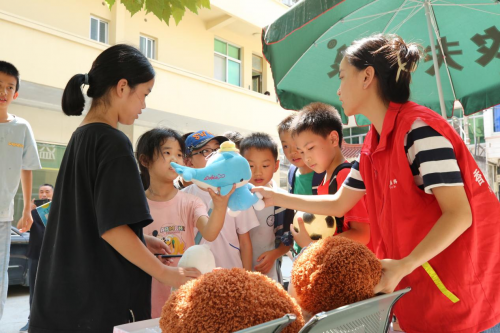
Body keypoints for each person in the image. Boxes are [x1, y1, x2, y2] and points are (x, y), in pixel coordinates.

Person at [253, 34, 500, 333]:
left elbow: (459, 214)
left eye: (343, 77)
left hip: (462, 295)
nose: (338, 89)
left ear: (367, 76)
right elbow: (339, 202)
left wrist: (404, 264)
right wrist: (273, 196)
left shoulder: (418, 130)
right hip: (415, 292)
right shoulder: (373, 141)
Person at [30, 45, 200, 333]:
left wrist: (140, 237)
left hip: (63, 299)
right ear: (123, 87)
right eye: (144, 94)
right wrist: (166, 273)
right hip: (98, 303)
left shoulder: (80, 137)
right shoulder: (113, 142)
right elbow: (112, 228)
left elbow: (89, 219)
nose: (144, 105)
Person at [135, 127, 233, 318]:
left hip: (184, 300)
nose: (175, 159)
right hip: (144, 298)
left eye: (179, 154)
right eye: (167, 153)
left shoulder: (190, 202)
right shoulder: (135, 204)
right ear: (145, 160)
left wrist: (220, 206)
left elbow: (209, 232)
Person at [290, 102, 370, 248]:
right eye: (301, 151)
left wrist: (314, 247)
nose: (306, 158)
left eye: (310, 148)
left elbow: (362, 234)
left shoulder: (345, 176)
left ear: (333, 139)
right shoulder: (324, 180)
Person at [182, 130, 259, 270]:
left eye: (217, 150)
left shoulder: (236, 192)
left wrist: (246, 279)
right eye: (205, 151)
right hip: (196, 278)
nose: (213, 155)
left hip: (231, 275)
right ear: (188, 162)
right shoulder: (182, 197)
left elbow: (245, 242)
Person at [0, 61, 41, 321]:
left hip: (3, 216)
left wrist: (26, 209)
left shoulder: (21, 127)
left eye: (9, 87)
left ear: (16, 94)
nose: (3, 91)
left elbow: (27, 167)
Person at [239, 133, 292, 283]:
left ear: (276, 166)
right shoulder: (235, 198)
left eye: (265, 165)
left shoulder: (283, 200)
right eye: (250, 166)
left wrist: (275, 254)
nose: (258, 172)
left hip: (269, 272)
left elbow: (288, 241)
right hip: (238, 270)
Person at [278, 113, 316, 256]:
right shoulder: (292, 172)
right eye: (285, 145)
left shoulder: (324, 174)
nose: (292, 152)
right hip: (300, 252)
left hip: (321, 251)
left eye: (296, 144)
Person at [19, 184, 54, 332]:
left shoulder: (57, 211)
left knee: (52, 288)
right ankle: (31, 320)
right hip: (35, 255)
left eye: (47, 192)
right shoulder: (32, 212)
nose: (44, 194)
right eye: (41, 192)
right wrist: (28, 210)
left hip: (54, 256)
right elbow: (21, 227)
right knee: (33, 289)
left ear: (53, 194)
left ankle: (52, 321)